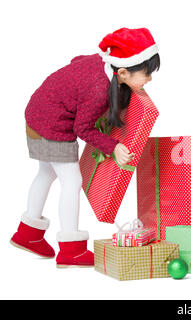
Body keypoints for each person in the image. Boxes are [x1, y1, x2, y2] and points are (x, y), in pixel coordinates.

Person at [11, 27, 160, 267]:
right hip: (53, 127)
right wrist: (113, 147)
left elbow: (76, 61)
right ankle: (72, 250)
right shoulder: (99, 90)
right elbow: (82, 128)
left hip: (37, 115)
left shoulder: (102, 66)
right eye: (146, 74)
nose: (149, 80)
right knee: (72, 182)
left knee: (46, 173)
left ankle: (28, 235)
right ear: (122, 72)